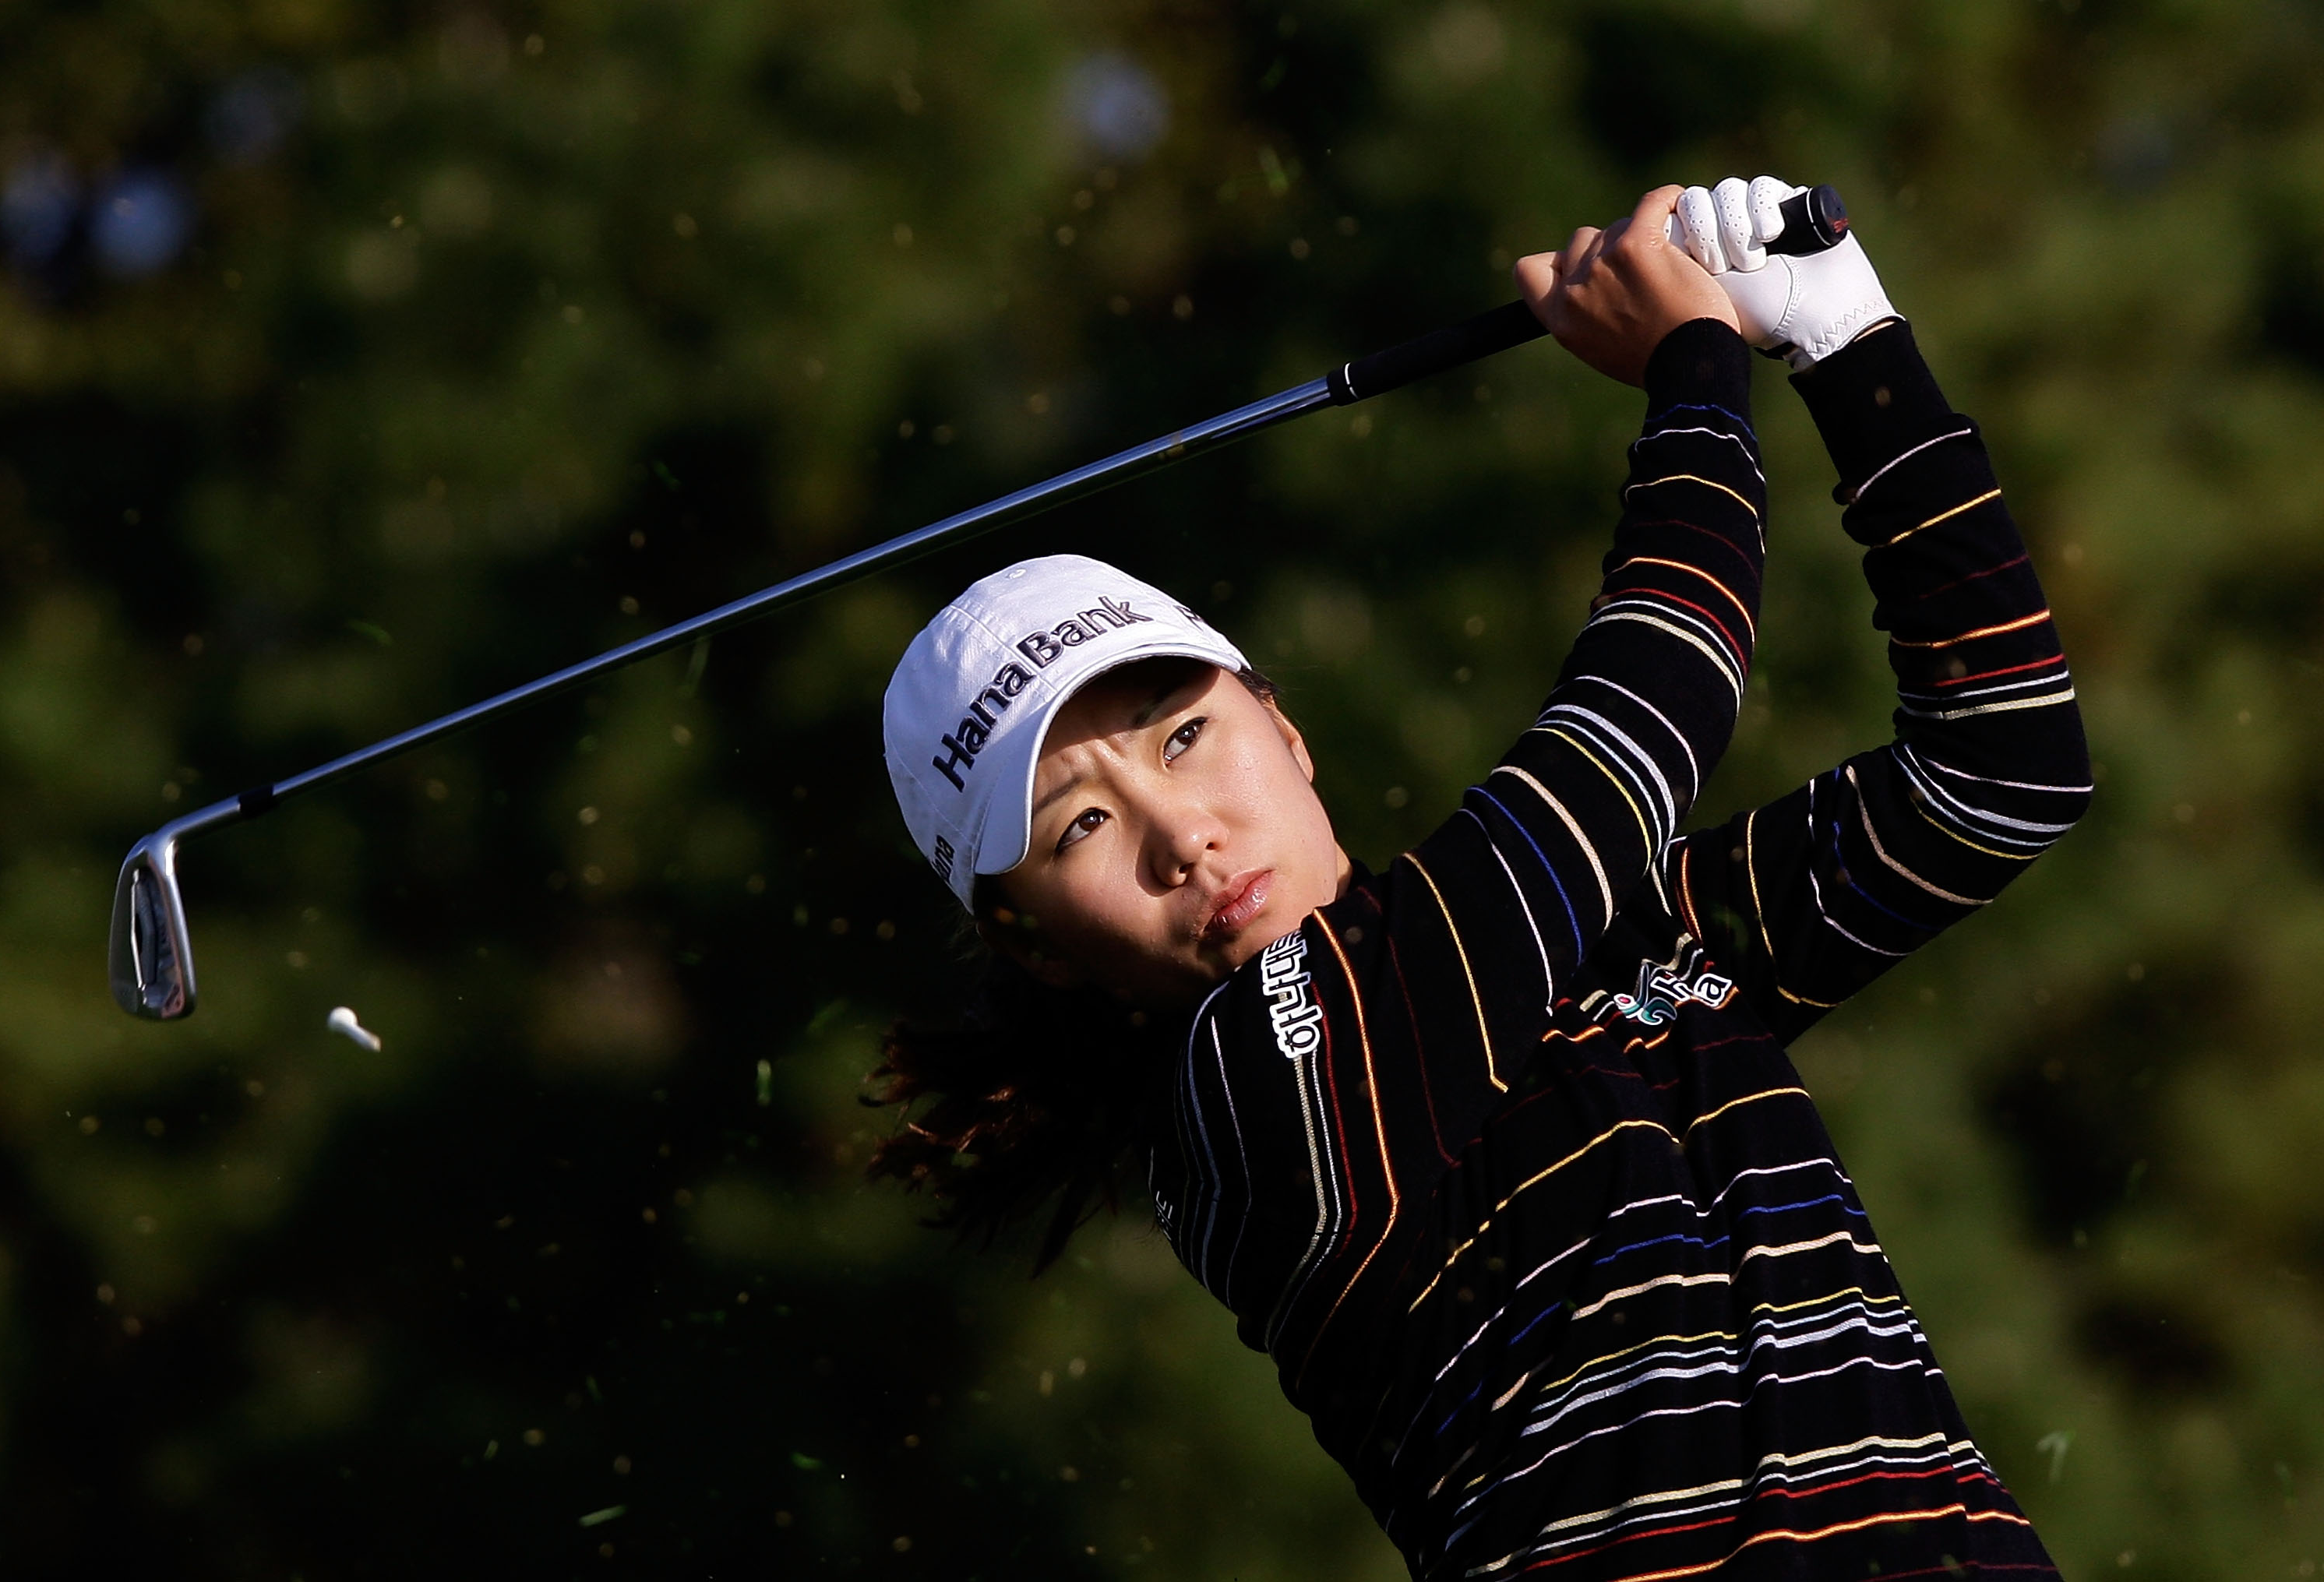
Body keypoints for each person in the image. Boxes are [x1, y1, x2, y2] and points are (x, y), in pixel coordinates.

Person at [871, 176, 2089, 1578]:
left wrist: (1853, 345)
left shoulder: (1614, 934)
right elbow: (1638, 723)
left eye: (1185, 735)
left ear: (1285, 724)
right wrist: (1692, 367)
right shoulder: (1250, 1103)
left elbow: (2001, 775)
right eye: (1079, 826)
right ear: (1027, 940)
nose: (1181, 833)